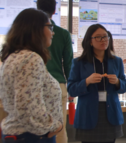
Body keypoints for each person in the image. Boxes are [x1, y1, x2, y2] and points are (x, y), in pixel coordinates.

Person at [0, 8, 63, 142]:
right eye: (50, 26)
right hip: (32, 136)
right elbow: (27, 108)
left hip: (23, 134)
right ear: (36, 29)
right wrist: (54, 126)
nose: (53, 32)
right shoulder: (30, 59)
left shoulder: (13, 57)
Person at [67, 24, 126, 143]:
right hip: (88, 112)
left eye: (106, 37)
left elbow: (124, 87)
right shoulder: (79, 63)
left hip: (110, 111)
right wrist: (87, 81)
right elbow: (71, 89)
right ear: (90, 41)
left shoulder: (117, 61)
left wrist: (117, 82)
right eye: (98, 37)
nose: (103, 40)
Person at [36, 0, 74, 142]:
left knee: (34, 128)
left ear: (37, 7)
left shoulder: (30, 32)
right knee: (58, 128)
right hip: (58, 85)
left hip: (33, 85)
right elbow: (69, 64)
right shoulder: (63, 34)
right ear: (54, 10)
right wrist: (71, 89)